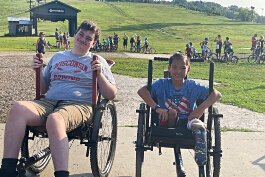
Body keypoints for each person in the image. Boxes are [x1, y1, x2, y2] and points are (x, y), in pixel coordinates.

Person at [0, 20, 117, 177]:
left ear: (94, 43)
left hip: (79, 105)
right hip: (49, 101)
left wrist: (100, 74)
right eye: (81, 34)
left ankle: (62, 174)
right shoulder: (58, 57)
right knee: (17, 109)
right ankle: (7, 170)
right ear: (74, 35)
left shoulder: (98, 61)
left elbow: (111, 94)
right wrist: (39, 69)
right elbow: (43, 89)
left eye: (88, 38)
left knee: (55, 119)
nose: (83, 39)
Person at [137, 52, 221, 167]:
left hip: (188, 121)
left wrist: (199, 109)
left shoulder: (192, 86)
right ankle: (174, 121)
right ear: (169, 68)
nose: (178, 71)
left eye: (182, 68)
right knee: (172, 112)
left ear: (188, 69)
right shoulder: (161, 84)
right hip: (166, 122)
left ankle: (201, 151)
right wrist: (157, 108)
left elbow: (216, 94)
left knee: (198, 125)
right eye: (174, 67)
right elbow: (142, 91)